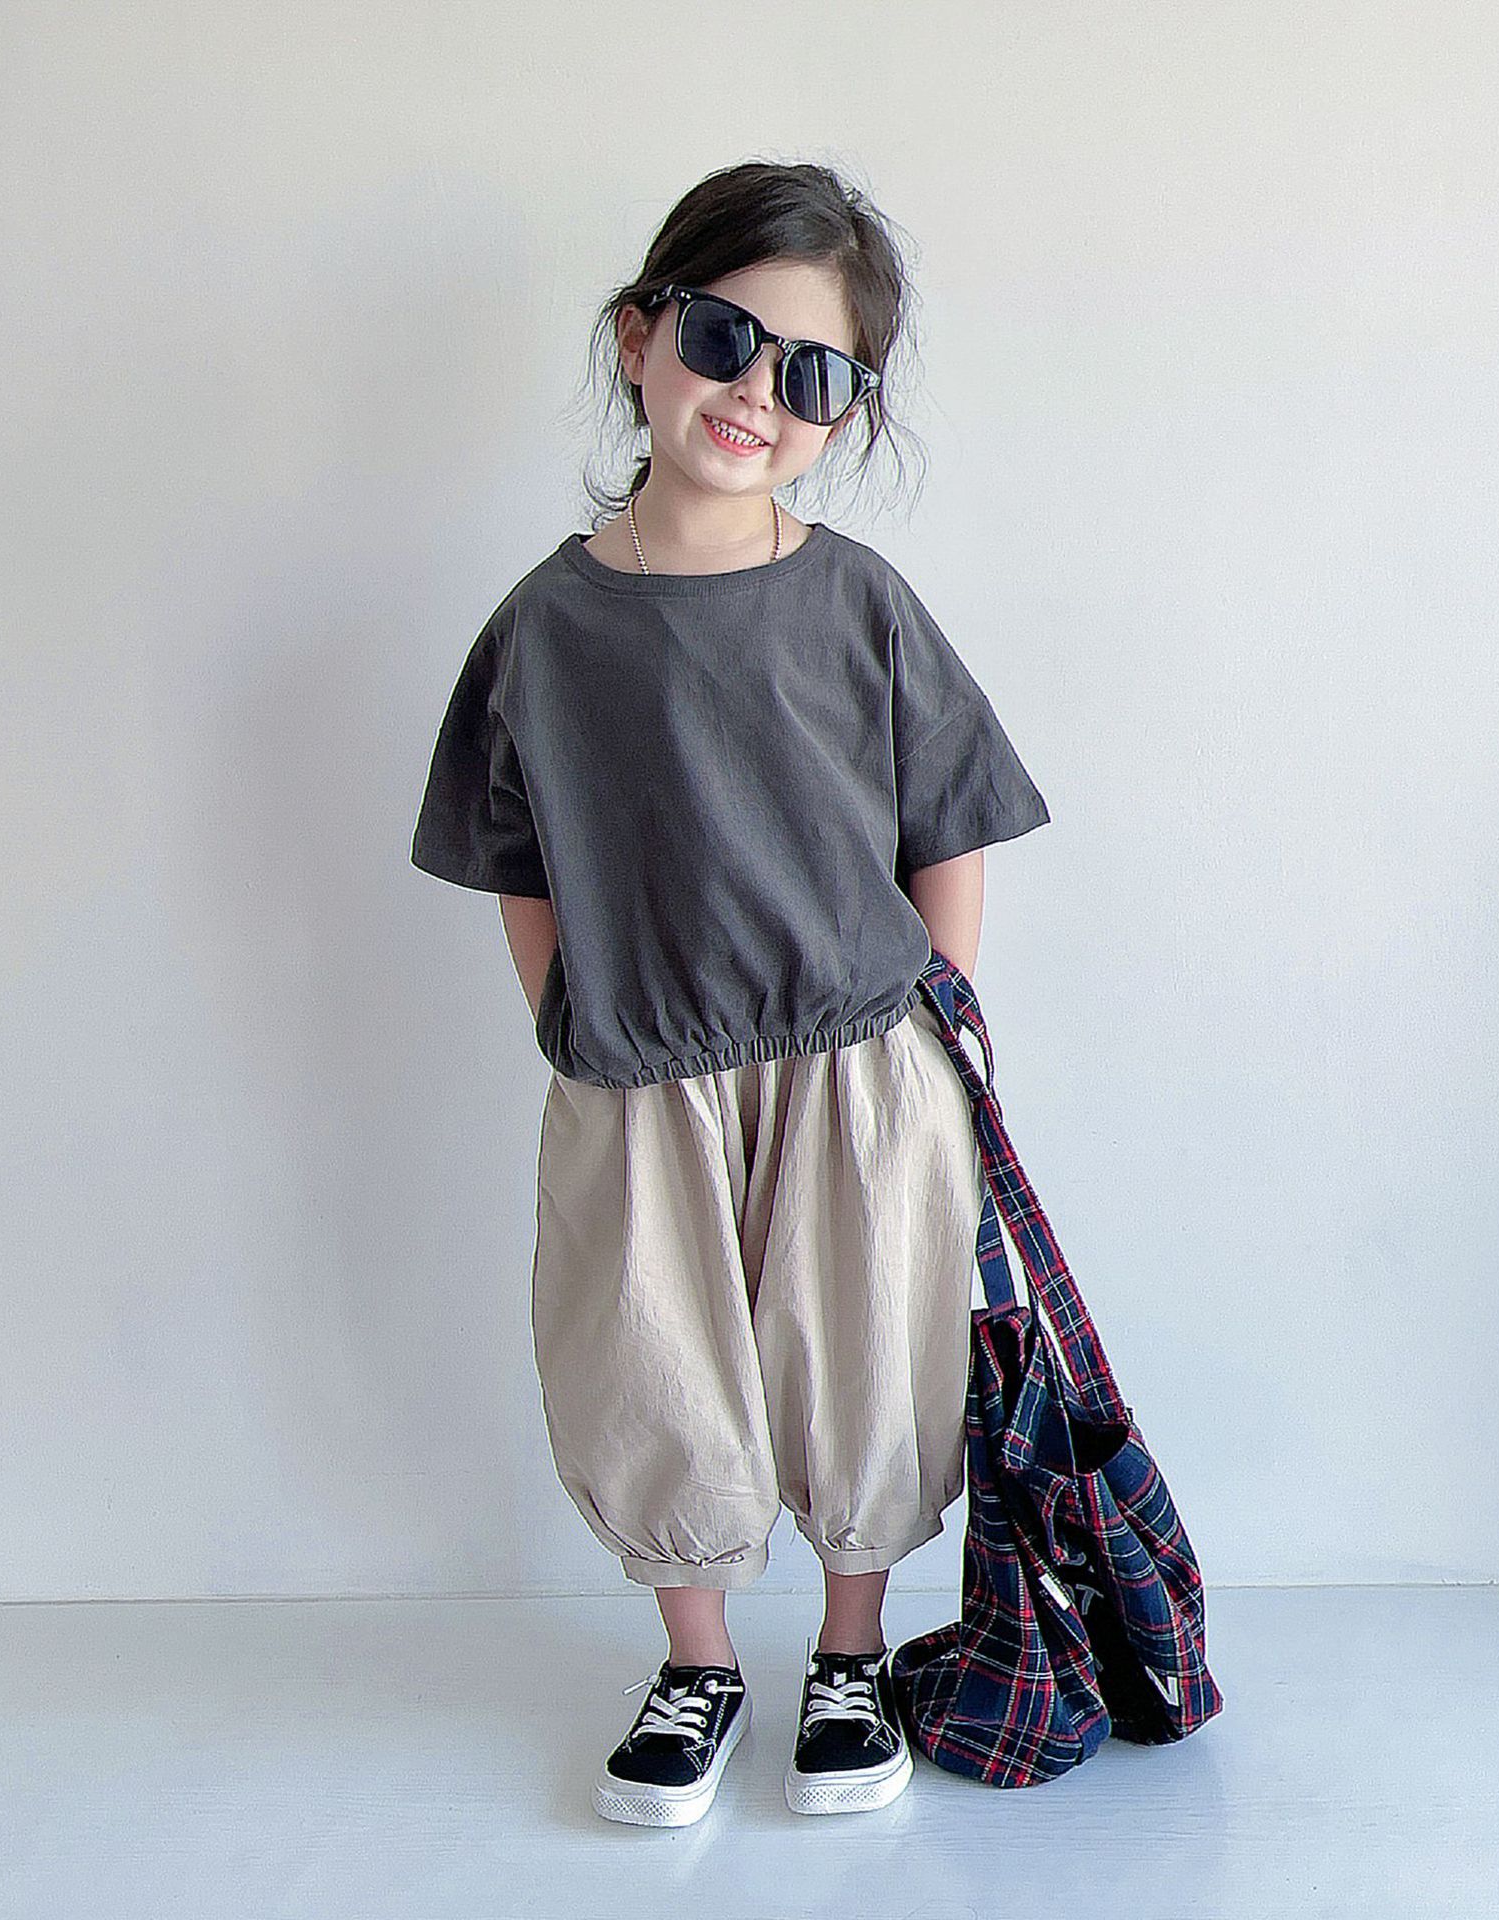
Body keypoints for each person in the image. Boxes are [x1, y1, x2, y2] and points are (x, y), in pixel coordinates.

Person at [409, 160, 1050, 1827]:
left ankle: (851, 1651)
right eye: (722, 338)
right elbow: (515, 854)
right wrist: (568, 1022)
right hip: (636, 1068)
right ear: (640, 337)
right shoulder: (547, 628)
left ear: (846, 412)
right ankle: (697, 1662)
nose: (757, 390)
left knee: (866, 1353)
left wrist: (935, 1025)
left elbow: (948, 821)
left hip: (859, 1063)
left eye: (813, 373)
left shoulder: (857, 602)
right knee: (649, 1361)